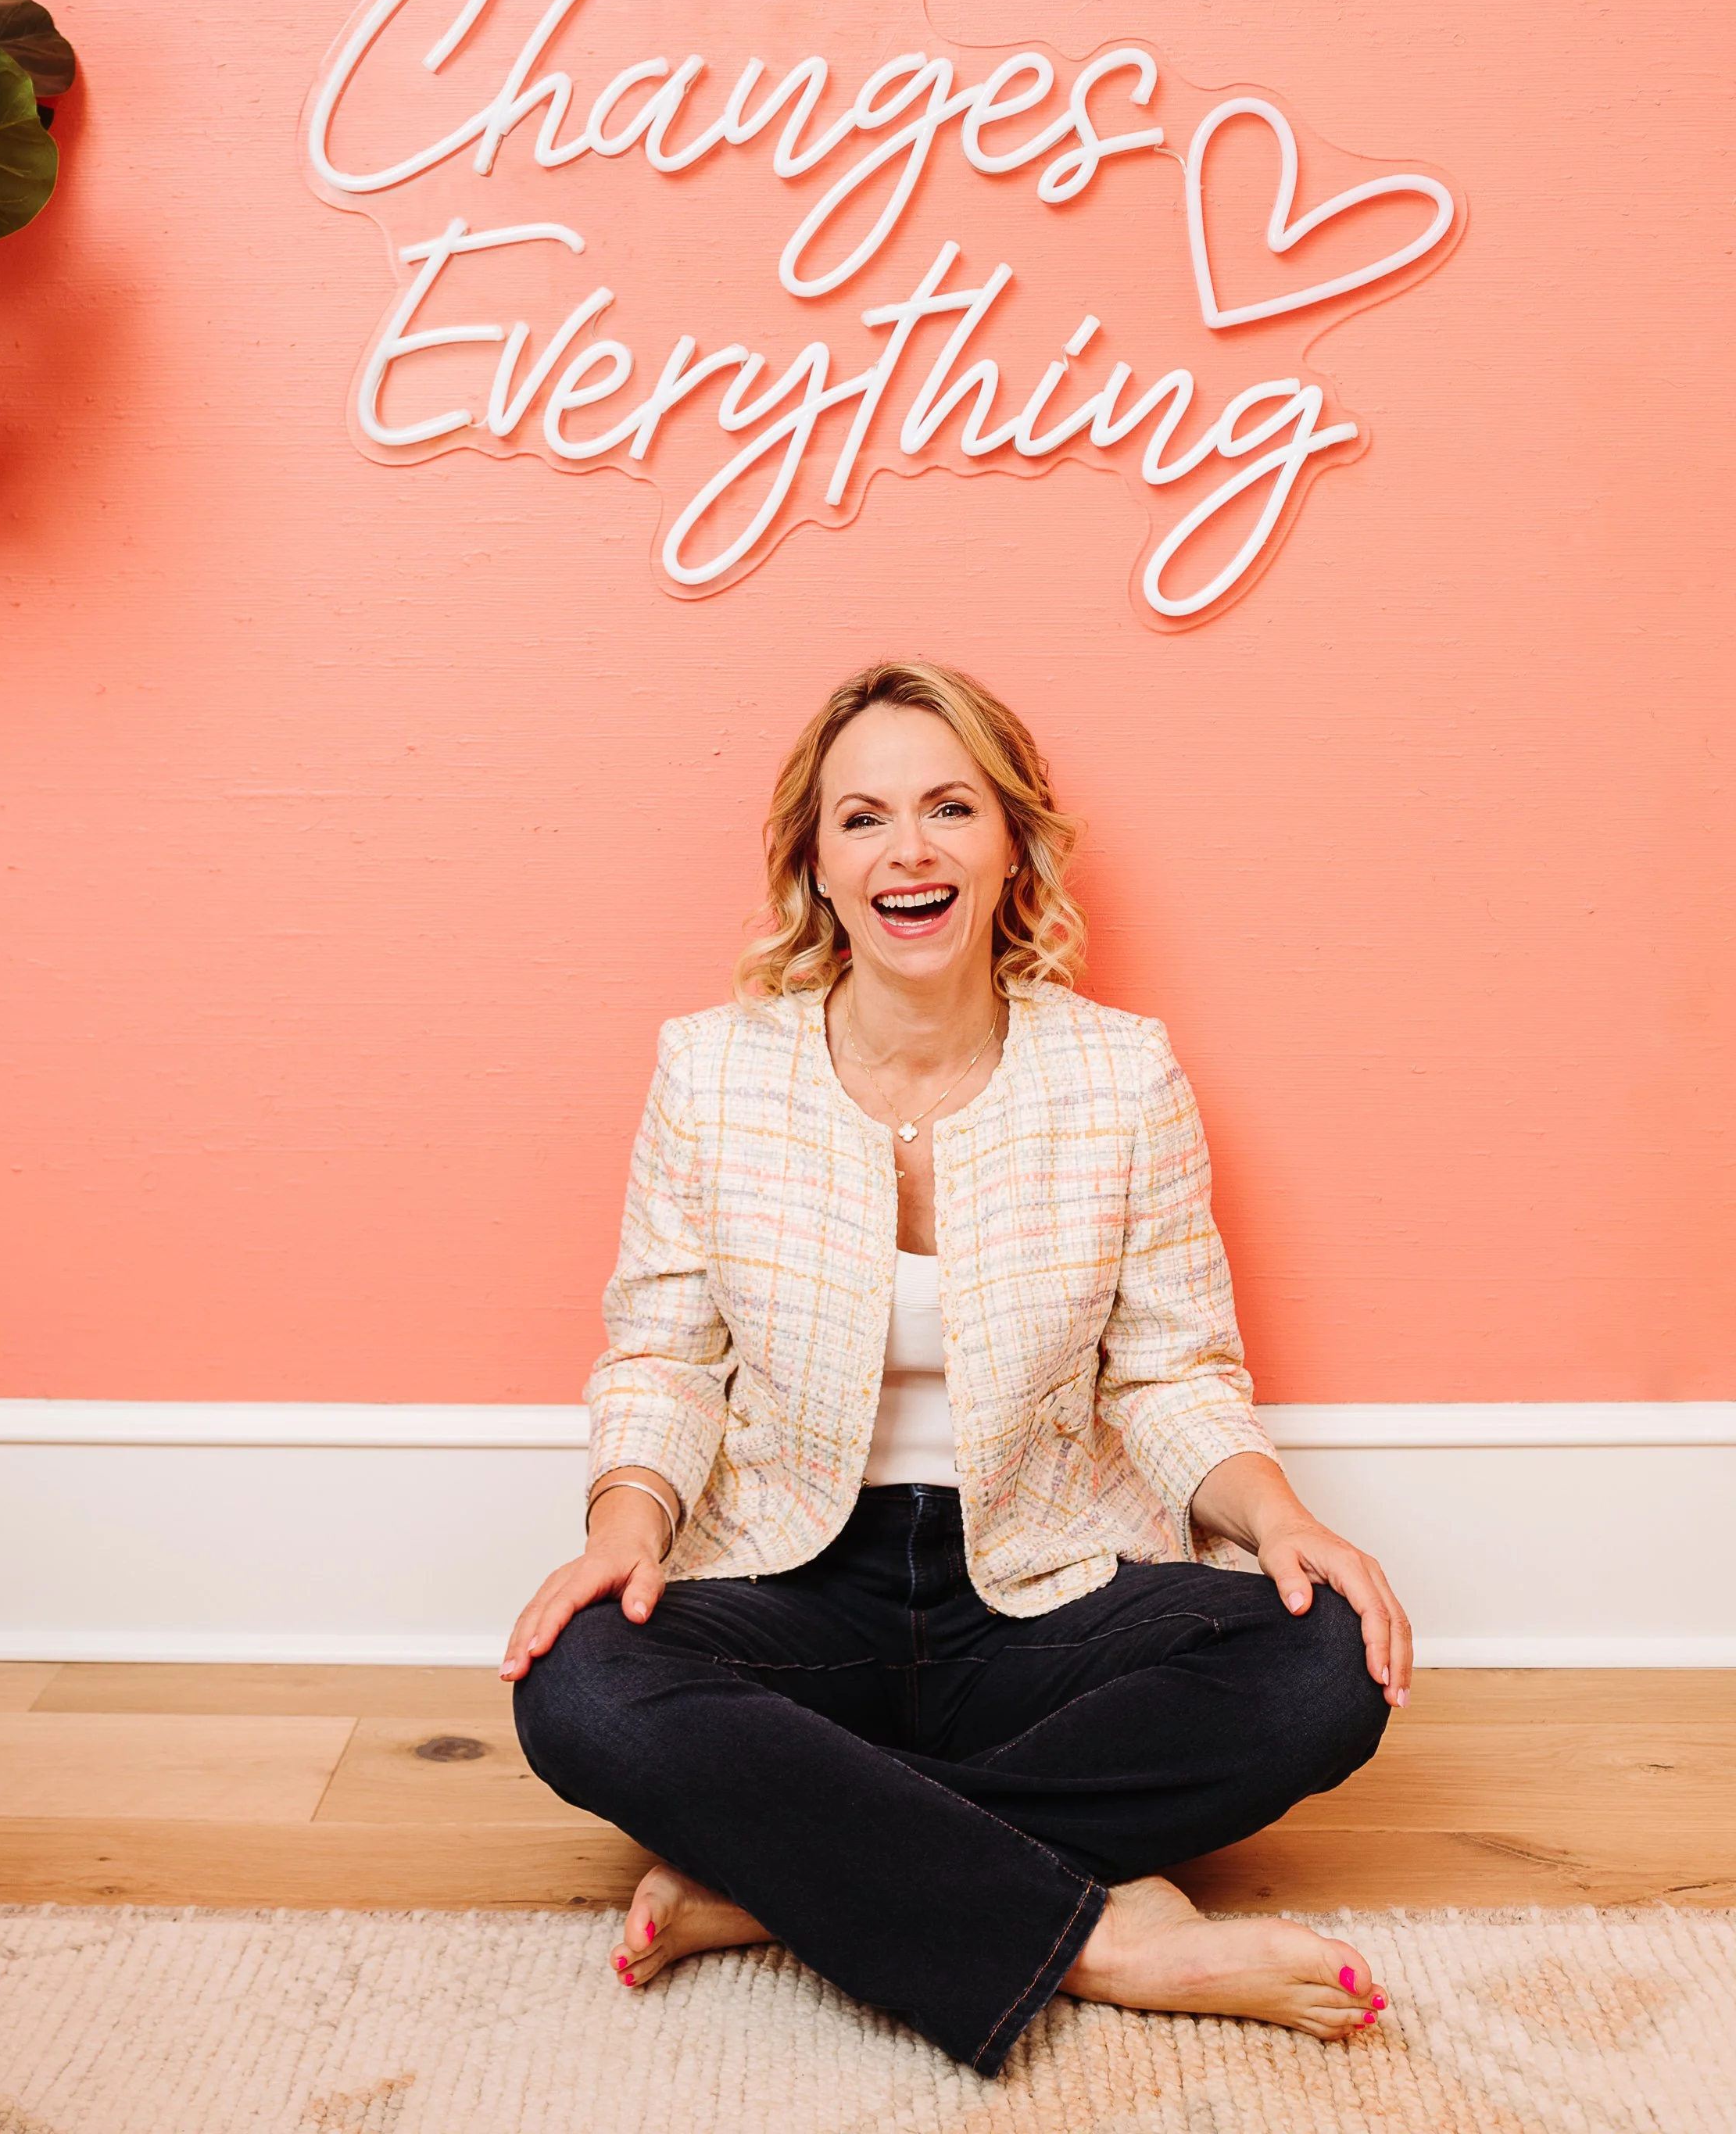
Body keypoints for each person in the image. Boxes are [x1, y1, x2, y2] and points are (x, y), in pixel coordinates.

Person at [503, 661, 1408, 2077]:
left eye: (949, 808)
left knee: (1328, 1658)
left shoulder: (1122, 1075)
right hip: (793, 1584)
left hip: (1044, 1591)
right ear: (816, 863)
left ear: (1011, 846)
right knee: (578, 1684)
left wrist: (1282, 1520)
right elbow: (666, 1360)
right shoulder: (711, 1072)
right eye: (862, 818)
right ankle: (1104, 1935)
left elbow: (1168, 1375)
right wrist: (625, 1530)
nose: (907, 850)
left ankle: (780, 1879)